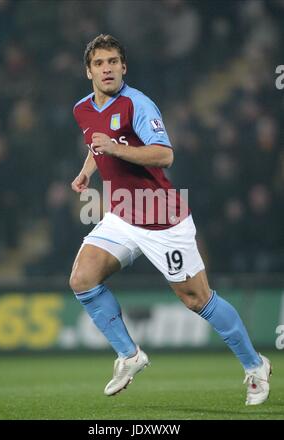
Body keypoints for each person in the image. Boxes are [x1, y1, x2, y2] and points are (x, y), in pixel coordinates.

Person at [70, 34, 271, 404]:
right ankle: (130, 355)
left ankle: (255, 365)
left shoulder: (138, 104)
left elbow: (164, 156)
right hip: (122, 215)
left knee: (197, 299)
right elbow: (96, 143)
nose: (107, 68)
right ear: (88, 71)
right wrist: (89, 171)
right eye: (99, 63)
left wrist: (115, 147)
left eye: (113, 61)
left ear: (124, 67)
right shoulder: (82, 108)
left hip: (163, 218)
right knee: (82, 279)